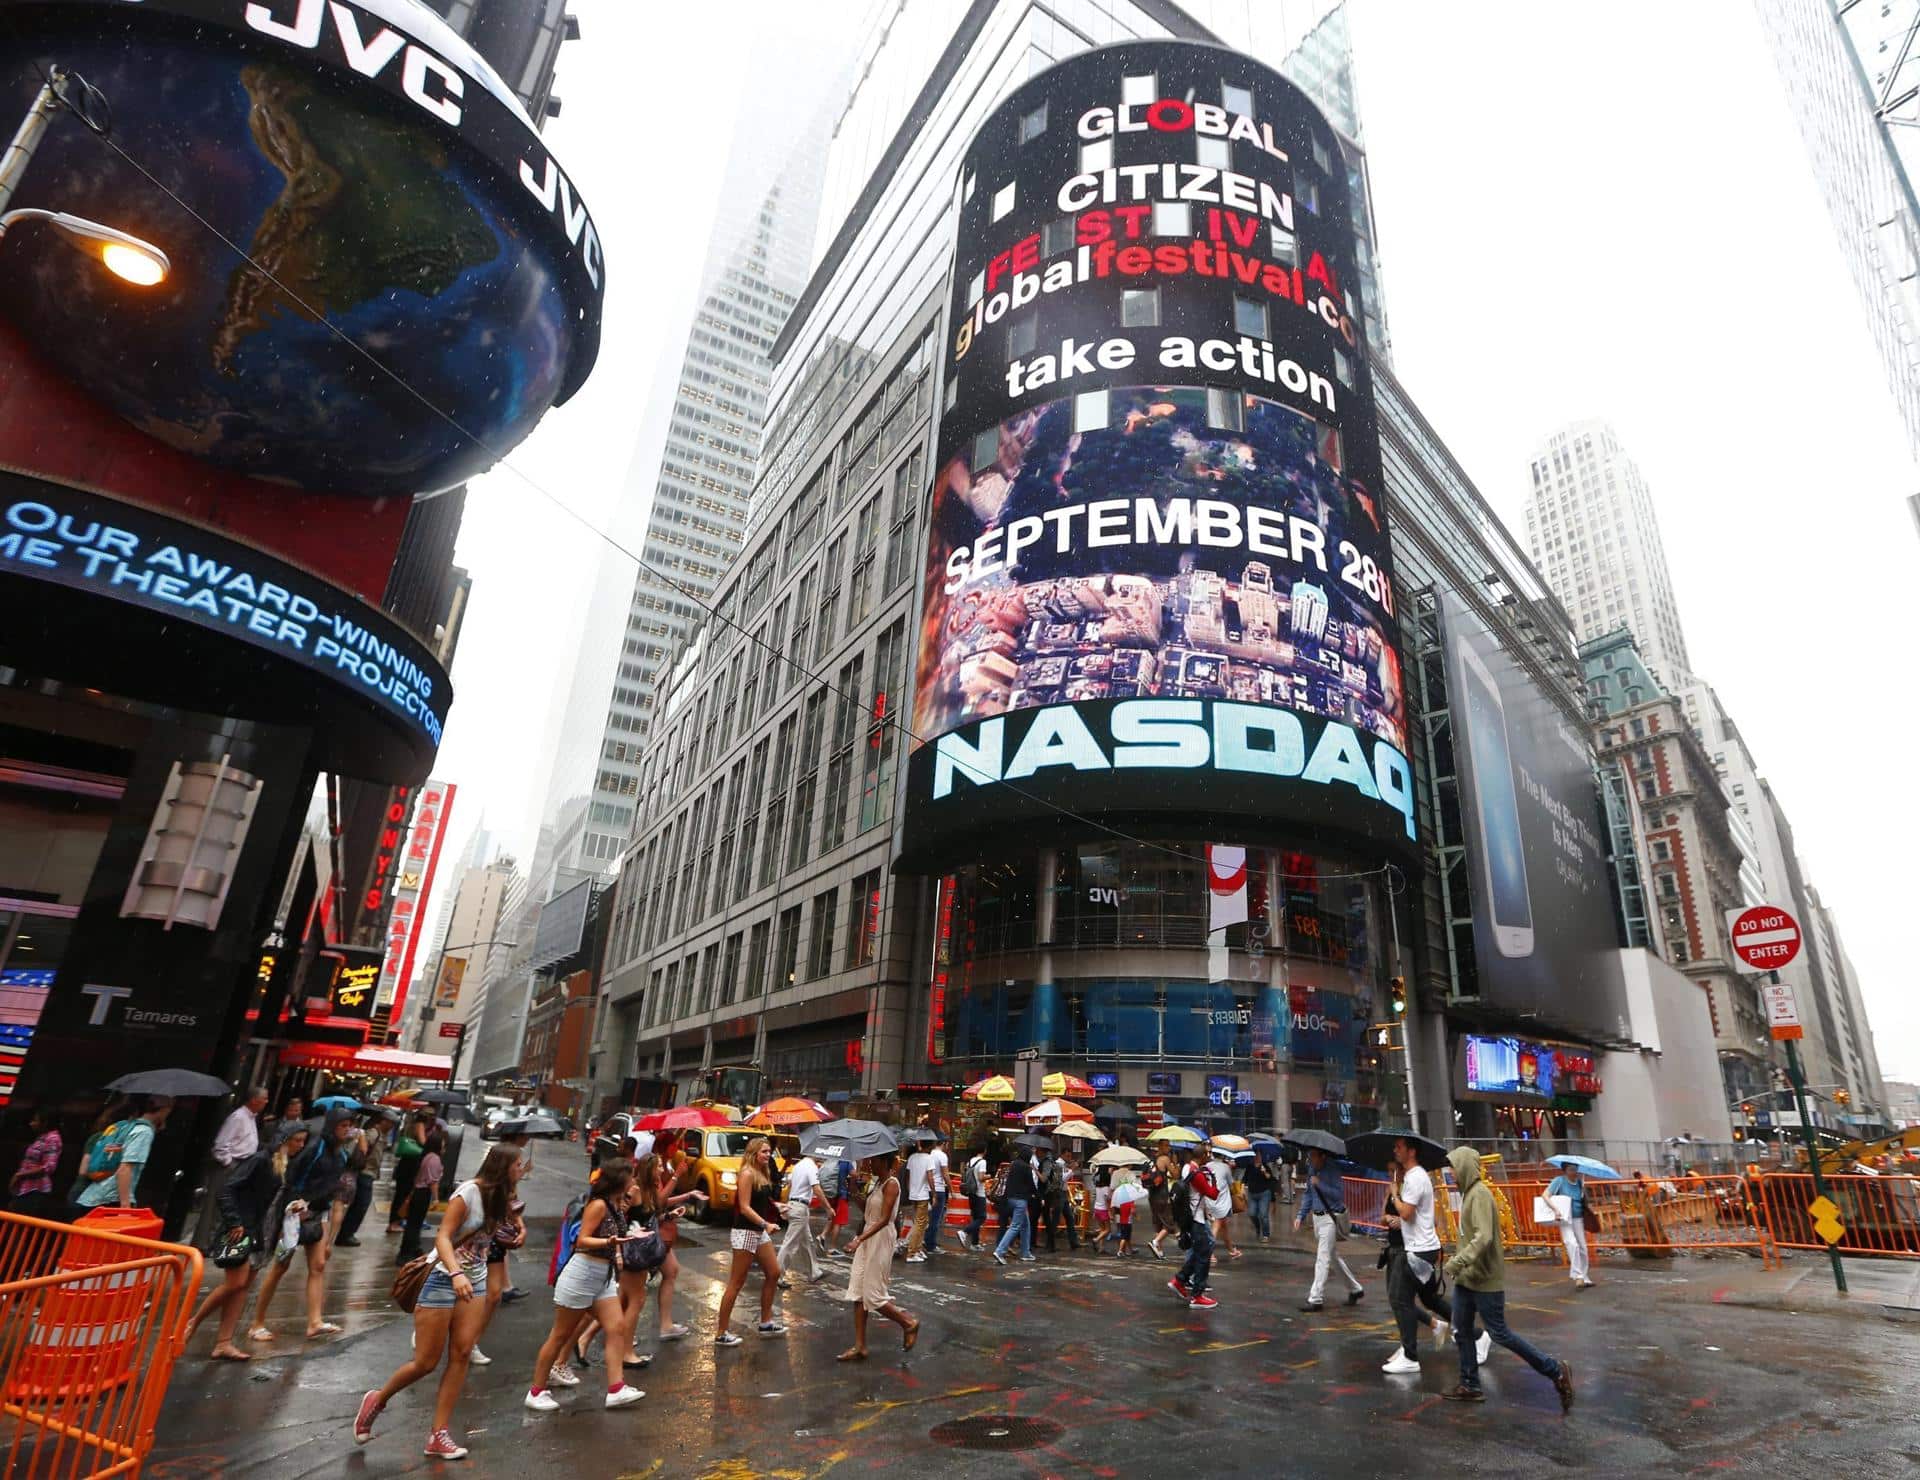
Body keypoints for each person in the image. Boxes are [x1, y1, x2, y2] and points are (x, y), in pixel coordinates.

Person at [355, 1145, 520, 1458]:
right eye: (517, 1165)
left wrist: (513, 1234)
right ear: (503, 1166)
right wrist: (456, 1273)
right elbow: (443, 1236)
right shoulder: (469, 1192)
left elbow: (489, 1238)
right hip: (443, 1277)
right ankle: (377, 1400)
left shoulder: (503, 1198)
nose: (521, 1170)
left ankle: (438, 1434)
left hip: (476, 1280)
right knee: (426, 1362)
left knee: (461, 1354)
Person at [1442, 1146, 1575, 1411]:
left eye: (1454, 1168)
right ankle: (1469, 1384)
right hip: (1468, 1280)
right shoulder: (1469, 1194)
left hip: (1483, 1279)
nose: (1451, 1174)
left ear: (1466, 1167)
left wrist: (1458, 1261)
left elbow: (1484, 1237)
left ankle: (1554, 1370)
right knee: (1462, 1330)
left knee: (1499, 1333)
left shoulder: (1479, 1194)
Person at [525, 1160, 644, 1413]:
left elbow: (637, 1206)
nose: (634, 1182)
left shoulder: (614, 1204)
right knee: (559, 1335)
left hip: (602, 1276)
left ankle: (616, 1389)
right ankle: (535, 1391)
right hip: (582, 1273)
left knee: (616, 1327)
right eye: (630, 1177)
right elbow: (582, 1239)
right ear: (618, 1180)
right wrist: (609, 1241)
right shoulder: (598, 1204)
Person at [185, 1122, 309, 1361]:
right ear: (284, 1140)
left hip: (262, 1232)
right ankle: (192, 1323)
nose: (300, 1145)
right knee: (236, 1283)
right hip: (244, 1230)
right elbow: (227, 1190)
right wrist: (235, 1222)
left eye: (303, 1141)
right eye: (297, 1140)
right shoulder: (261, 1160)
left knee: (242, 1286)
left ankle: (223, 1342)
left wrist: (293, 1207)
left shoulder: (283, 1164)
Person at [250, 1108, 357, 1341]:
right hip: (294, 1213)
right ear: (333, 1126)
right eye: (343, 1125)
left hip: (317, 1213)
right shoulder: (315, 1149)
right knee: (280, 1266)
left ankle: (315, 1322)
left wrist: (327, 1230)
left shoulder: (341, 1155)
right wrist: (290, 1210)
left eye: (350, 1125)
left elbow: (330, 1191)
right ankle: (256, 1322)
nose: (347, 1129)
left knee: (318, 1266)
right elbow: (291, 1179)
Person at [1380, 1139, 1464, 1375]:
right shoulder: (1414, 1177)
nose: (1395, 1150)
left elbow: (1406, 1213)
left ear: (1411, 1151)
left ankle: (1410, 1355)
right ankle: (1471, 1334)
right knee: (1427, 1300)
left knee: (1400, 1299)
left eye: (1399, 1147)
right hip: (1419, 1248)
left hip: (1418, 1250)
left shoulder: (1415, 1177)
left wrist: (1395, 1195)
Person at [838, 1151, 917, 1360]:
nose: (869, 1163)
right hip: (867, 1237)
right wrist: (854, 1191)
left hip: (880, 1239)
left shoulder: (891, 1184)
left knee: (873, 1295)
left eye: (873, 1160)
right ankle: (860, 1346)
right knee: (857, 1292)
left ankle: (908, 1323)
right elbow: (868, 1212)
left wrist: (859, 1239)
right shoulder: (877, 1183)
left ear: (884, 1161)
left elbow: (883, 1219)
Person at [713, 1137, 787, 1345]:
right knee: (736, 1283)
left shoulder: (761, 1173)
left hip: (758, 1231)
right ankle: (721, 1332)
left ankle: (766, 1321)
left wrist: (777, 1207)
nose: (768, 1155)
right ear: (753, 1153)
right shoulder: (746, 1173)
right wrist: (766, 1224)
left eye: (769, 1152)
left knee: (773, 1272)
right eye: (764, 1152)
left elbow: (762, 1200)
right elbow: (745, 1207)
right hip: (746, 1231)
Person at [1293, 1147, 1365, 1313]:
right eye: (1309, 1156)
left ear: (1322, 1156)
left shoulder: (1332, 1169)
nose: (1310, 1160)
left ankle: (1315, 1298)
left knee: (1323, 1258)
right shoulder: (1312, 1169)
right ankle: (1355, 1289)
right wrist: (1300, 1216)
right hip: (1317, 1218)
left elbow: (1338, 1194)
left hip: (1329, 1219)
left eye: (1313, 1156)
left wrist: (1321, 1185)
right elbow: (1308, 1195)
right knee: (1332, 1257)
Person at [74, 1095, 171, 1211]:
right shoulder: (144, 1132)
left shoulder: (126, 1125)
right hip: (111, 1200)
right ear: (163, 1110)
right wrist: (125, 1206)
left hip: (92, 1196)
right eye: (169, 1110)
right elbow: (125, 1169)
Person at [1167, 1145, 1220, 1310]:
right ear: (1203, 1156)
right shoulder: (1197, 1175)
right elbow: (1212, 1193)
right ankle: (1197, 1295)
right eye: (1207, 1154)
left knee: (1200, 1251)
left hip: (1190, 1218)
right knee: (1204, 1255)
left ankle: (1180, 1280)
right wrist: (1214, 1179)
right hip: (1196, 1220)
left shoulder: (1186, 1168)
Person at [397, 1129, 446, 1265]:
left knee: (413, 1224)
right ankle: (406, 1253)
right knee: (415, 1224)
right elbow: (433, 1181)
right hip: (423, 1194)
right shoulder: (434, 1159)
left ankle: (409, 1250)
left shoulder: (426, 1156)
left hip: (418, 1192)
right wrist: (436, 1199)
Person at [336, 1114, 383, 1246]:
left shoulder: (341, 1132)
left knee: (343, 1205)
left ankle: (342, 1234)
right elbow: (363, 1150)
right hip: (360, 1171)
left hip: (352, 1170)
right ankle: (344, 1235)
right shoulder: (367, 1133)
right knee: (355, 1204)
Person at [1545, 1165, 1595, 1289]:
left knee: (1583, 1248)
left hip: (1578, 1217)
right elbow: (1545, 1195)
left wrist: (1584, 1192)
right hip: (1565, 1218)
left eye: (1575, 1169)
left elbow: (1583, 1201)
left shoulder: (1579, 1183)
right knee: (1572, 1243)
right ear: (1565, 1170)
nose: (1574, 1172)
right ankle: (1578, 1275)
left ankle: (1584, 1276)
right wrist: (1555, 1210)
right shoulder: (1559, 1181)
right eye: (1571, 1169)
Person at [778, 1147, 824, 1284]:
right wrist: (828, 1207)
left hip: (795, 1204)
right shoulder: (811, 1167)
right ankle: (777, 1275)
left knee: (807, 1241)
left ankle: (814, 1272)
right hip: (800, 1208)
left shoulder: (798, 1165)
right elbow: (817, 1188)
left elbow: (791, 1185)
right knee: (790, 1244)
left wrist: (787, 1203)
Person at [8, 1108, 62, 1215]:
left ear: (45, 1122)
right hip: (24, 1189)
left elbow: (49, 1166)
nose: (31, 1123)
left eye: (35, 1120)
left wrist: (20, 1175)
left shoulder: (53, 1138)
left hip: (35, 1190)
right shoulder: (41, 1137)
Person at [991, 1145, 1037, 1264]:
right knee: (1015, 1226)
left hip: (1009, 1199)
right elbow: (1031, 1185)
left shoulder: (1014, 1164)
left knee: (1025, 1225)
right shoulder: (1027, 1167)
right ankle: (1000, 1251)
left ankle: (1025, 1253)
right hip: (1020, 1201)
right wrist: (1036, 1194)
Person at [387, 1113, 429, 1235]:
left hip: (406, 1164)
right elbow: (423, 1142)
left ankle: (395, 1222)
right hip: (410, 1165)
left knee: (401, 1194)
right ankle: (394, 1223)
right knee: (402, 1195)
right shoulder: (420, 1125)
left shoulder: (410, 1124)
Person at [902, 1139, 933, 1262]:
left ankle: (918, 1249)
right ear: (929, 1145)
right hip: (923, 1195)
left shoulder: (912, 1157)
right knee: (920, 1224)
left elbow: (908, 1177)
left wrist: (910, 1191)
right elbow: (930, 1177)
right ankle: (911, 1252)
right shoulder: (928, 1158)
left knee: (921, 1222)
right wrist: (934, 1193)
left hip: (913, 1194)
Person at [1146, 1146, 1179, 1260]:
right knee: (1170, 1223)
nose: (1169, 1148)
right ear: (1162, 1146)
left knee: (1158, 1224)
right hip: (1162, 1195)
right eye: (1167, 1145)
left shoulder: (1152, 1159)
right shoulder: (1165, 1159)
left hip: (1152, 1195)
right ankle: (1156, 1242)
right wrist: (1175, 1163)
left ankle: (1159, 1251)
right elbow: (1175, 1175)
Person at [959, 1145, 989, 1251]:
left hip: (971, 1192)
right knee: (982, 1217)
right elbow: (981, 1178)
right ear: (984, 1150)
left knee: (976, 1218)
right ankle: (964, 1232)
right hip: (979, 1193)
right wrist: (989, 1176)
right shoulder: (982, 1162)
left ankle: (974, 1243)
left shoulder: (971, 1161)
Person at [1244, 1155, 1276, 1243]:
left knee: (1263, 1215)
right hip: (1252, 1194)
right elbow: (1245, 1179)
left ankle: (1266, 1234)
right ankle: (1258, 1226)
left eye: (1259, 1155)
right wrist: (1243, 1189)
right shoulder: (1249, 1166)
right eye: (1256, 1155)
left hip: (1264, 1194)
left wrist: (1264, 1172)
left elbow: (1270, 1179)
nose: (1258, 1157)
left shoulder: (1265, 1166)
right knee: (1252, 1214)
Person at [926, 1135, 950, 1257]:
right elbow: (945, 1174)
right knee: (936, 1219)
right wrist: (951, 1190)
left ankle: (927, 1241)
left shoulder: (929, 1154)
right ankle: (931, 1244)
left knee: (928, 1218)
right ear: (944, 1143)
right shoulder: (942, 1156)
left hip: (928, 1189)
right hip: (939, 1189)